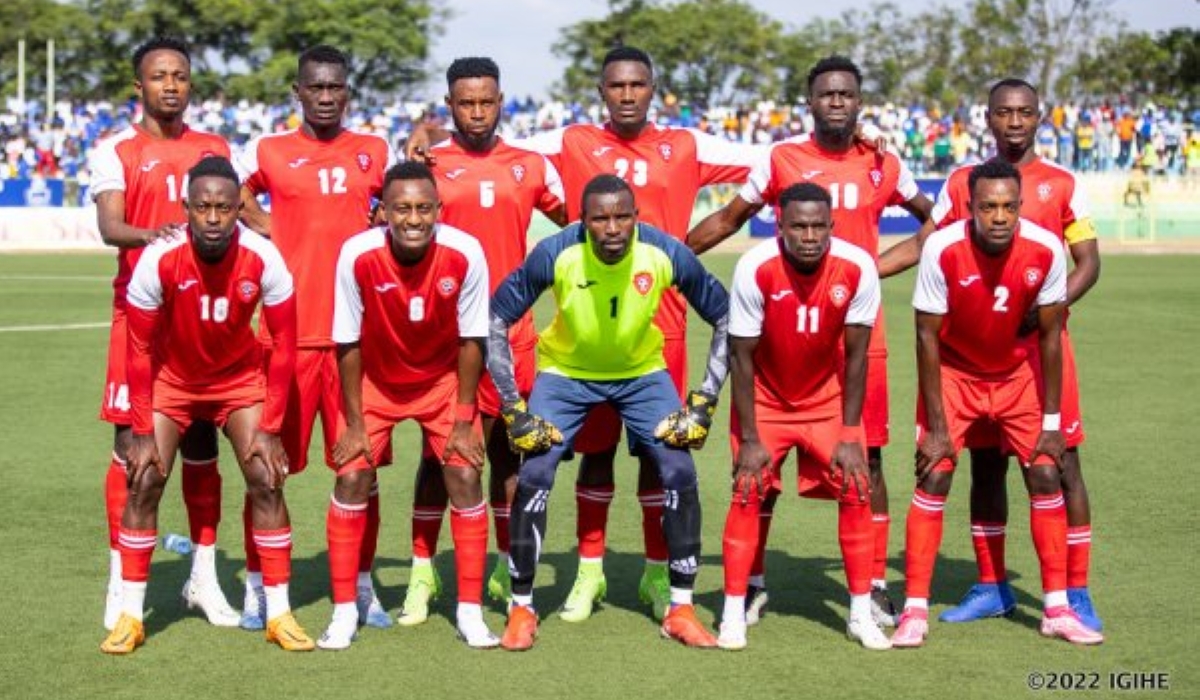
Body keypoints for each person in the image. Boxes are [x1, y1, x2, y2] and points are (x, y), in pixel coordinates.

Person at [689, 55, 933, 628]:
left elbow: (939, 220)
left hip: (854, 342)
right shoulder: (782, 159)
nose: (837, 103)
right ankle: (751, 583)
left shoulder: (884, 164)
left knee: (867, 461)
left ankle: (871, 584)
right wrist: (670, 256)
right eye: (827, 94)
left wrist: (874, 268)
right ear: (812, 102)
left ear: (859, 101)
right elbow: (728, 219)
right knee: (761, 466)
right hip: (782, 340)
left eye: (846, 94)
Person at [879, 78, 1102, 631]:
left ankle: (1074, 591)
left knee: (1061, 465)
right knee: (982, 464)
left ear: (1040, 117)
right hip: (972, 351)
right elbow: (930, 245)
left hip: (1037, 352)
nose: (1015, 122)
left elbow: (1089, 262)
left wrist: (1047, 306)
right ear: (988, 118)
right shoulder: (962, 183)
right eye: (1004, 112)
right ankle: (991, 584)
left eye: (1025, 112)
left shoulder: (1061, 184)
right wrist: (864, 268)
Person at [488, 175, 730, 651]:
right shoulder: (556, 251)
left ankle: (680, 608)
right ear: (583, 221)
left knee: (679, 469)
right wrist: (513, 407)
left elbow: (724, 314)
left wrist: (704, 399)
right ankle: (522, 609)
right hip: (565, 374)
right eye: (600, 218)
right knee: (534, 472)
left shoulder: (665, 252)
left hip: (643, 374)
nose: (613, 228)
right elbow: (496, 316)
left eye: (623, 217)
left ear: (637, 217)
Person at [101, 156, 313, 654]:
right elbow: (139, 347)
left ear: (238, 206)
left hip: (239, 383)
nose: (214, 217)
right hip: (172, 382)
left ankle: (278, 613)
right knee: (145, 478)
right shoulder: (158, 257)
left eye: (224, 206)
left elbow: (285, 343)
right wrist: (141, 427)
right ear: (187, 208)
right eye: (203, 207)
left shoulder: (264, 256)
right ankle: (130, 615)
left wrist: (272, 426)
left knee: (266, 476)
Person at [397, 56, 567, 626]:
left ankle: (503, 566)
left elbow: (580, 224)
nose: (476, 111)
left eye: (486, 101)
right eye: (465, 102)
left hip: (513, 336)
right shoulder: (427, 165)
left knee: (508, 459)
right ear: (449, 105)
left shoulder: (530, 165)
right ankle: (422, 571)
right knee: (438, 459)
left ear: (501, 102)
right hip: (446, 340)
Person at [236, 44, 398, 631]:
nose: (325, 97)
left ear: (346, 93)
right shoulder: (272, 151)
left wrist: (383, 215)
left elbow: (403, 198)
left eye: (335, 88)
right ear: (298, 92)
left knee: (360, 470)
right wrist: (269, 226)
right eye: (315, 88)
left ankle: (360, 585)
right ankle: (259, 586)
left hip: (356, 339)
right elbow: (234, 191)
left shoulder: (373, 151)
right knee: (264, 469)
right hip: (285, 337)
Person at [89, 36, 237, 631]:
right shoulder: (115, 149)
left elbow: (241, 211)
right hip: (142, 319)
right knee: (133, 451)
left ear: (190, 85)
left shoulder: (214, 147)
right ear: (140, 86)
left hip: (204, 320)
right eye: (159, 76)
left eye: (180, 75)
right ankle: (120, 578)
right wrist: (159, 236)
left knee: (202, 446)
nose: (170, 84)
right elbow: (109, 226)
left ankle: (204, 578)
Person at [323, 161, 496, 649]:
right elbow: (347, 342)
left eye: (424, 208)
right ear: (382, 213)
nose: (414, 219)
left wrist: (463, 420)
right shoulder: (356, 254)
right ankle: (342, 612)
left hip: (442, 381)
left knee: (463, 472)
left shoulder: (466, 252)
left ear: (440, 210)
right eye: (402, 209)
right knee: (352, 473)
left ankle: (470, 612)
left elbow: (472, 339)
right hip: (375, 382)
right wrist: (355, 425)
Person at [718, 182, 888, 651]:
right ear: (779, 225)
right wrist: (750, 438)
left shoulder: (857, 268)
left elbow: (856, 357)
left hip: (825, 401)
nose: (809, 235)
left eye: (818, 226)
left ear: (832, 226)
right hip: (766, 401)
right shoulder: (755, 267)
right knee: (748, 491)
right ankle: (733, 612)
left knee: (857, 488)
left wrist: (852, 432)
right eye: (798, 226)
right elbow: (741, 358)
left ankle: (859, 614)